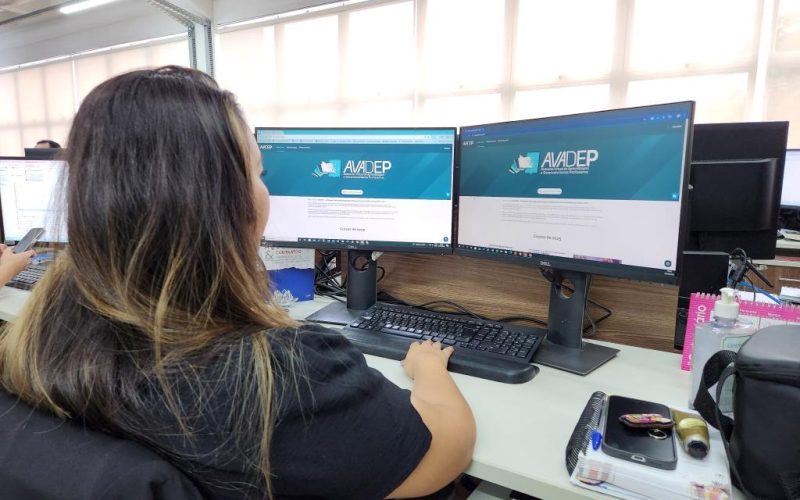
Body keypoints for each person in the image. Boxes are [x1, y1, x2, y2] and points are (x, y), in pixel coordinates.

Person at [0, 66, 475, 499]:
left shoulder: (43, 329)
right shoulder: (280, 373)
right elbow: (443, 451)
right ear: (224, 204)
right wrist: (429, 369)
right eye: (257, 173)